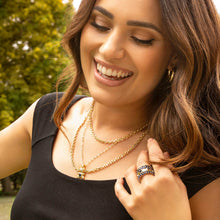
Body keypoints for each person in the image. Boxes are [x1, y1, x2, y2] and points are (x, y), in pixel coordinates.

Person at [0, 0, 219, 219]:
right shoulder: (48, 114)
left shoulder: (200, 164)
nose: (109, 49)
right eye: (100, 24)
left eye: (141, 38)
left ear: (176, 54)